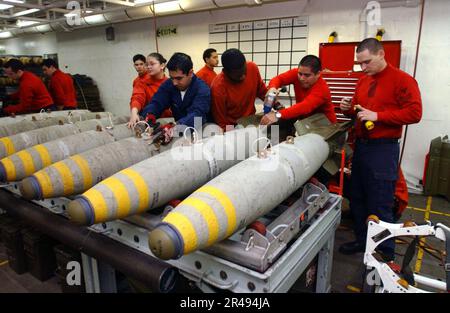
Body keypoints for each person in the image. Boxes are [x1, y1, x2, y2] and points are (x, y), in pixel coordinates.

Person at [338, 38, 422, 260]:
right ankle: (362, 241)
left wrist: (379, 116)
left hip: (383, 150)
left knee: (380, 202)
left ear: (382, 54)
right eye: (360, 64)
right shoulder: (363, 81)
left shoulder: (403, 81)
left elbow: (415, 113)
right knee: (358, 198)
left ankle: (385, 255)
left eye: (367, 62)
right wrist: (347, 108)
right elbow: (358, 110)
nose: (363, 68)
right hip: (362, 148)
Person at [142, 52, 210, 143]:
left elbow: (198, 114)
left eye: (179, 78)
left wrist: (176, 125)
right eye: (171, 78)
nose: (174, 83)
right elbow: (157, 102)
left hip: (200, 132)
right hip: (178, 133)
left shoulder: (202, 89)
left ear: (190, 73)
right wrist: (150, 114)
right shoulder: (169, 84)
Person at [260, 55, 337, 125]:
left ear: (318, 74)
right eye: (300, 74)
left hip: (326, 128)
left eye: (307, 75)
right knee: (276, 130)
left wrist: (277, 115)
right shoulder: (296, 73)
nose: (302, 78)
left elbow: (304, 107)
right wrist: (273, 88)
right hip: (307, 124)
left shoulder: (322, 89)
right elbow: (278, 79)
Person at [210, 48, 267, 130]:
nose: (243, 76)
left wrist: (276, 104)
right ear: (226, 72)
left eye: (245, 72)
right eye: (238, 76)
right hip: (233, 127)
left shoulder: (252, 67)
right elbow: (221, 121)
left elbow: (263, 92)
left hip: (251, 121)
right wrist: (233, 137)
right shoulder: (218, 87)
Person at [128, 53, 169, 127]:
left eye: (152, 64)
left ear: (162, 65)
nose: (148, 67)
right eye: (147, 64)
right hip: (149, 119)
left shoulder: (170, 83)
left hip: (169, 119)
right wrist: (134, 113)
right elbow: (137, 97)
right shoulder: (141, 82)